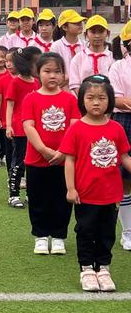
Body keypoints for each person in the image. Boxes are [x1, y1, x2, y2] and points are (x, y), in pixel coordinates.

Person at [61, 75, 131, 292]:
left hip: (110, 194)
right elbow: (69, 160)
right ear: (82, 100)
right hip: (85, 194)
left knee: (107, 232)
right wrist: (71, 188)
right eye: (90, 97)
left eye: (101, 98)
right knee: (85, 230)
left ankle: (103, 267)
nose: (96, 102)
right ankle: (86, 268)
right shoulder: (76, 129)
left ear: (110, 100)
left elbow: (124, 157)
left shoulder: (116, 129)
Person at [22, 53, 80, 255]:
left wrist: (64, 152)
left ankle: (58, 236)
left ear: (64, 75)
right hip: (37, 160)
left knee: (61, 199)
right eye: (47, 71)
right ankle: (40, 235)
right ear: (38, 73)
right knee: (38, 198)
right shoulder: (31, 98)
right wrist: (44, 150)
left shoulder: (70, 99)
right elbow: (29, 126)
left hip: (65, 161)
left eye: (57, 71)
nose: (52, 75)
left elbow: (74, 126)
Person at [5, 46, 41, 208]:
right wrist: (8, 126)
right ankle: (13, 194)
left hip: (35, 128)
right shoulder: (16, 82)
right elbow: (10, 105)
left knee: (32, 162)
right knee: (18, 162)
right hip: (20, 128)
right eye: (36, 63)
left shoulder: (37, 82)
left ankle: (31, 193)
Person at [108, 20, 131, 250]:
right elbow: (118, 100)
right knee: (125, 179)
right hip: (125, 122)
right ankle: (127, 232)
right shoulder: (118, 67)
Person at [69, 15, 114, 94]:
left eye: (101, 31)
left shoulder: (113, 58)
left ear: (107, 33)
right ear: (86, 34)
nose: (97, 35)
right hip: (84, 102)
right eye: (93, 32)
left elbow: (115, 84)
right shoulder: (78, 58)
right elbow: (75, 85)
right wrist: (87, 100)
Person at [0, 48, 18, 174]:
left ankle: (20, 174)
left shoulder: (27, 80)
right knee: (9, 149)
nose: (8, 64)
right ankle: (11, 174)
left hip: (22, 122)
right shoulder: (3, 80)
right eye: (7, 61)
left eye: (11, 61)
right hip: (7, 120)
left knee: (20, 150)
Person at [50, 9, 86, 86]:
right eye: (76, 23)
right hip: (63, 86)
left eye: (80, 22)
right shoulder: (56, 46)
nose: (80, 25)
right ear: (64, 27)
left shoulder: (85, 45)